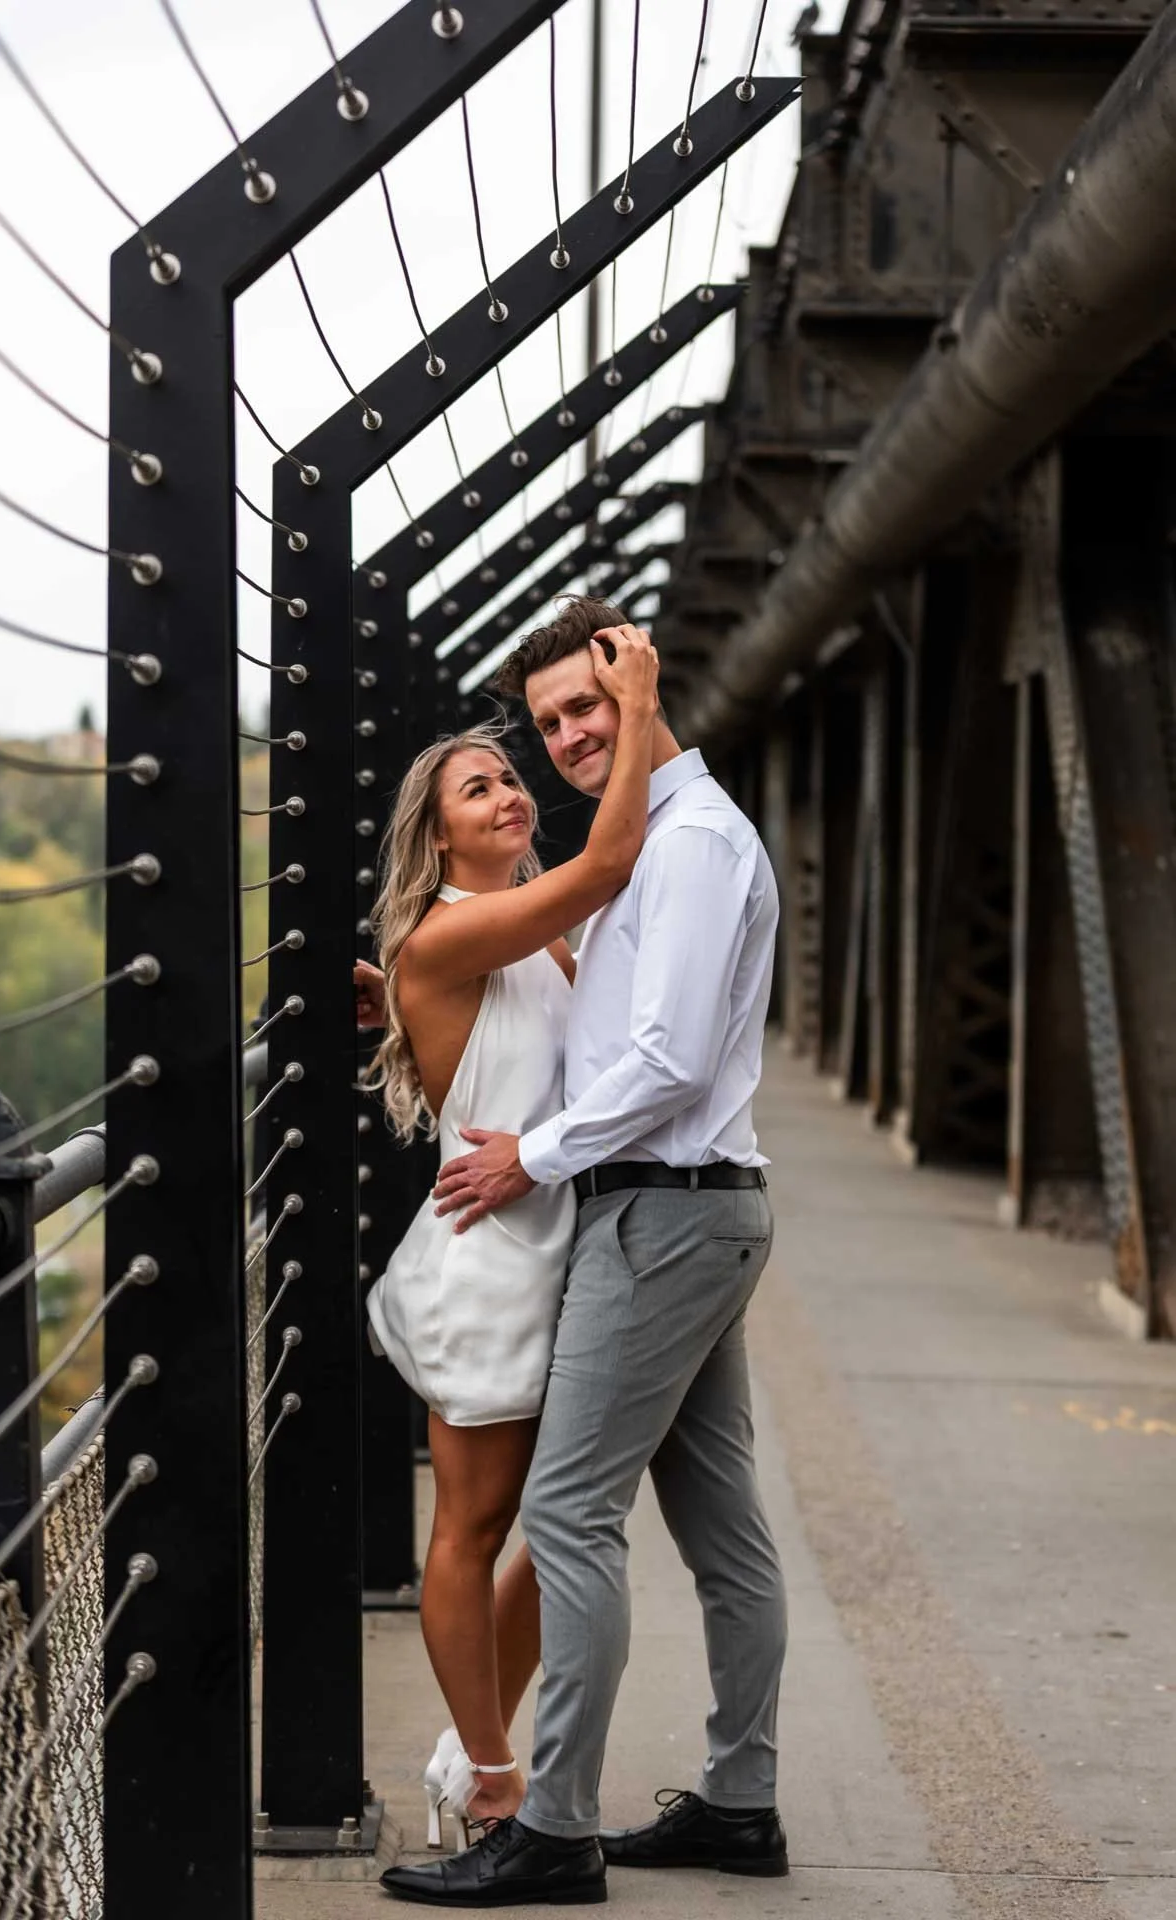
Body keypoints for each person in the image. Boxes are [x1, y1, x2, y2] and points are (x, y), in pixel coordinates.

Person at [380, 596, 787, 1909]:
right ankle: (739, 1802)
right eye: (544, 722)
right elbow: (536, 999)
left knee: (561, 1515)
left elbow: (665, 1062)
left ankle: (550, 1828)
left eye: (584, 709)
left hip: (657, 1213)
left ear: (639, 686)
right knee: (719, 1524)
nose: (559, 741)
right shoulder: (648, 847)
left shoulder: (684, 845)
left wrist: (535, 1153)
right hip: (657, 1214)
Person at [362, 625, 660, 1851]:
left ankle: (465, 1746)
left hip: (552, 1242)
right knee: (474, 1528)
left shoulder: (526, 933)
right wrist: (635, 704)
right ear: (437, 838)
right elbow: (609, 862)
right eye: (477, 788)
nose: (506, 794)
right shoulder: (449, 933)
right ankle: (492, 1775)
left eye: (506, 778)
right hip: (485, 1260)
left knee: (569, 1517)